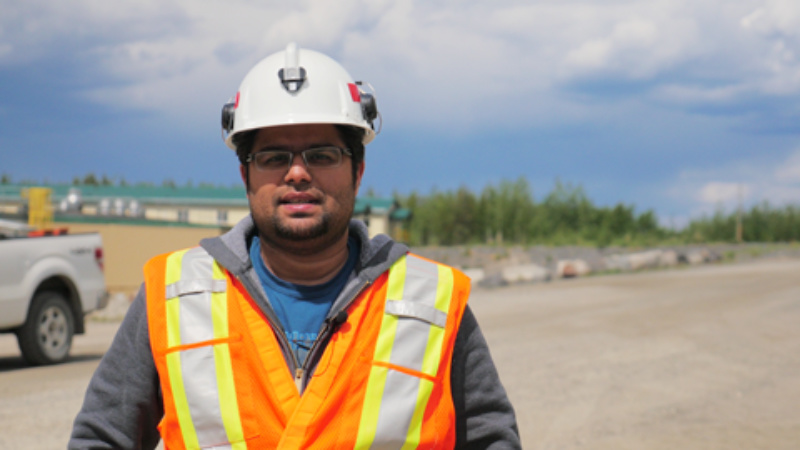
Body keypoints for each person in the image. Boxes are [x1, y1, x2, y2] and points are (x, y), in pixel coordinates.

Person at [69, 42, 520, 449]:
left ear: (357, 170)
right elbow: (102, 438)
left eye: (322, 155)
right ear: (245, 174)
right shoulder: (173, 296)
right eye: (273, 157)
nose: (298, 173)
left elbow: (490, 438)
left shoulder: (429, 301)